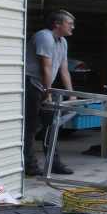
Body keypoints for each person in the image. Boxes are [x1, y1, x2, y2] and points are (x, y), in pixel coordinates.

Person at [24, 10, 76, 176]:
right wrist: (48, 93)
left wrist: (71, 94)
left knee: (51, 125)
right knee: (31, 127)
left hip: (45, 87)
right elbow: (45, 68)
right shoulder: (44, 37)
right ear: (57, 24)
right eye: (70, 24)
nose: (73, 27)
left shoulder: (63, 42)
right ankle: (30, 166)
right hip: (32, 85)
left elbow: (64, 70)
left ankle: (54, 164)